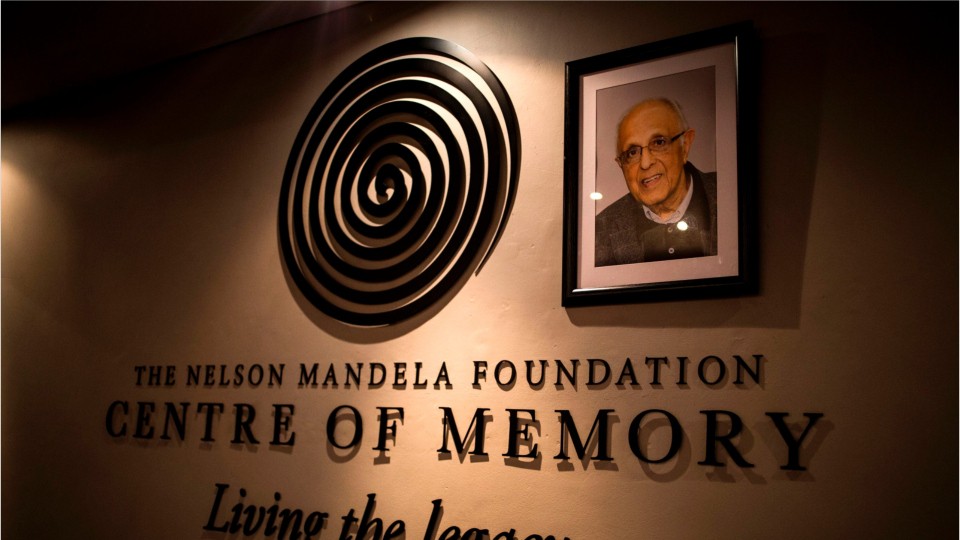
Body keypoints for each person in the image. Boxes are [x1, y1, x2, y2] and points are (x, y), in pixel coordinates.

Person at [595, 98, 717, 266]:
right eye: (632, 153)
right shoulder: (599, 232)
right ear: (621, 165)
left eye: (659, 143)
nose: (645, 163)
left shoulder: (731, 194)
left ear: (685, 146)